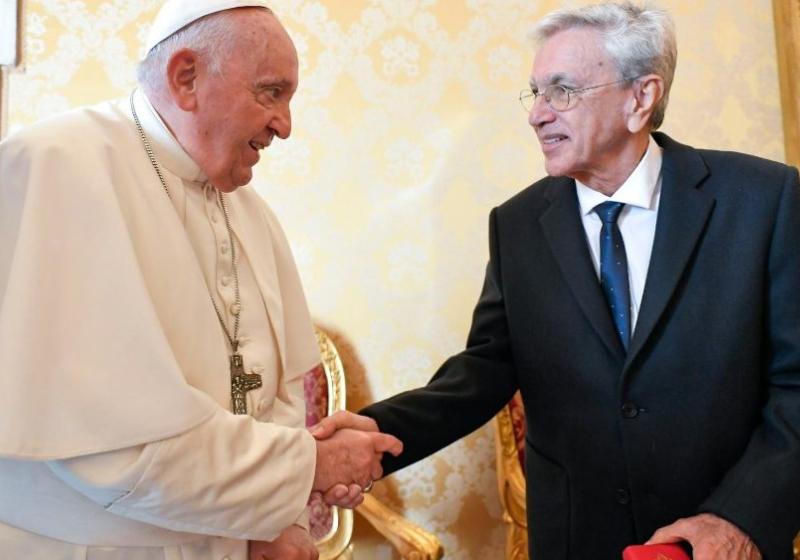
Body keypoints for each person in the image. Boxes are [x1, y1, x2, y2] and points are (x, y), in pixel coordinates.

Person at [314, 2, 800, 559]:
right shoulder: (518, 225)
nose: (537, 115)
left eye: (562, 91)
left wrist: (735, 518)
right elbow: (484, 372)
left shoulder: (762, 201)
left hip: (718, 541)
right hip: (577, 541)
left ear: (641, 98)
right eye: (536, 92)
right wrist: (374, 436)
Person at [0, 1, 401, 559]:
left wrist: (270, 521)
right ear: (186, 78)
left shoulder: (250, 213)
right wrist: (309, 467)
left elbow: (276, 400)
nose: (285, 125)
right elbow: (111, 447)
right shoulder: (56, 167)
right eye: (271, 92)